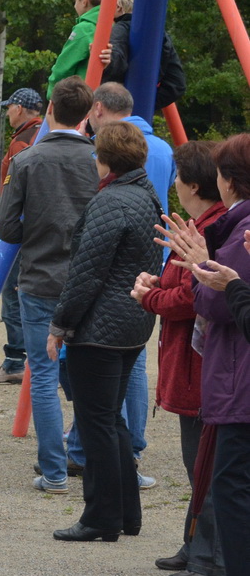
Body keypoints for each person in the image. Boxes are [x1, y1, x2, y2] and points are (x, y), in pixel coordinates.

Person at [45, 121, 160, 543]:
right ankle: (127, 512)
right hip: (132, 321)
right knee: (112, 420)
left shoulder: (111, 201)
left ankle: (101, 517)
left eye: (97, 155)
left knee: (95, 423)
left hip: (100, 327)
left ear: (106, 160)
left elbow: (86, 273)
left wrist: (61, 324)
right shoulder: (148, 195)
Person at [158, 137, 250, 576]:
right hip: (233, 379)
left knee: (231, 488)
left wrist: (198, 271)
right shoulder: (233, 227)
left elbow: (218, 306)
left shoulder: (239, 230)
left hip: (239, 381)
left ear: (229, 178)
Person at [0, 77, 99, 494]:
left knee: (42, 374)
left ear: (50, 109)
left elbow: (5, 228)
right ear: (90, 114)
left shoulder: (27, 161)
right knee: (91, 372)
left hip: (40, 278)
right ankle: (86, 453)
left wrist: (36, 229)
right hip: (89, 279)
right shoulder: (99, 159)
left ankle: (54, 472)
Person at [132, 141, 226, 576]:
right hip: (191, 361)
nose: (172, 185)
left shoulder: (211, 229)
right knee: (197, 461)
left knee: (204, 463)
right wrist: (158, 281)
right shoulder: (202, 224)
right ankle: (196, 545)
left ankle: (210, 557)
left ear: (192, 184)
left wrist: (149, 296)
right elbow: (184, 283)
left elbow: (193, 295)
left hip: (200, 365)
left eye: (176, 177)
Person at [81, 81, 173, 481]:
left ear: (98, 109)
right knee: (132, 366)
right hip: (153, 266)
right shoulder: (164, 152)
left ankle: (94, 455)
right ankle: (133, 445)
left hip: (109, 285)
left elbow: (90, 264)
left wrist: (63, 323)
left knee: (98, 401)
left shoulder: (104, 173)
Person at [0, 88, 47, 385]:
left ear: (20, 109)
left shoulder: (22, 143)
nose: (6, 113)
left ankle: (16, 360)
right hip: (44, 229)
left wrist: (7, 226)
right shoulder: (43, 135)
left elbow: (16, 193)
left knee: (14, 292)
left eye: (9, 108)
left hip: (20, 231)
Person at [98, 0, 187, 111]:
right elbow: (177, 84)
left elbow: (116, 60)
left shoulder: (120, 29)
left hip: (115, 110)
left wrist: (108, 63)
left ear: (117, 6)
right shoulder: (160, 35)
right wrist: (146, 104)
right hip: (142, 108)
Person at [47, 0, 106, 99]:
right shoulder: (111, 24)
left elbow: (63, 68)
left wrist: (52, 93)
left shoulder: (84, 29)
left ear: (84, 1)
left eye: (75, 1)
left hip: (79, 99)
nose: (75, 6)